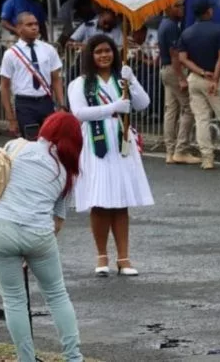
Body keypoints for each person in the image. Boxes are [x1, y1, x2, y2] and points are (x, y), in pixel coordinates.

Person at [0, 111, 83, 362]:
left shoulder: (16, 146)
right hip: (38, 233)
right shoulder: (66, 171)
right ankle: (74, 357)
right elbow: (57, 222)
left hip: (1, 227)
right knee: (57, 295)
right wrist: (35, 250)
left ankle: (26, 358)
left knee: (14, 299)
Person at [68, 34, 153, 276]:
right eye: (98, 52)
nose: (104, 55)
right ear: (90, 56)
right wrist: (112, 108)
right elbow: (79, 113)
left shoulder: (122, 79)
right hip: (96, 144)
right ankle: (102, 255)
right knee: (101, 200)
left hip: (121, 141)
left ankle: (124, 258)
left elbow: (143, 103)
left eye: (108, 51)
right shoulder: (81, 83)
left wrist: (132, 79)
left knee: (120, 201)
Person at [177, 0, 220, 170]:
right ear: (208, 12)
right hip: (216, 79)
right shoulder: (219, 30)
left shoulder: (187, 33)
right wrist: (214, 78)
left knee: (201, 120)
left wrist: (200, 72)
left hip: (195, 80)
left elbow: (182, 58)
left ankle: (207, 159)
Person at [0, 12, 65, 140]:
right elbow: (4, 86)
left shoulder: (48, 49)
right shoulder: (11, 54)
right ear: (19, 28)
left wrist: (62, 105)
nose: (34, 27)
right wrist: (11, 118)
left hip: (46, 101)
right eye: (29, 24)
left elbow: (56, 80)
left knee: (50, 141)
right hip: (25, 104)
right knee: (31, 142)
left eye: (36, 24)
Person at [156, 0, 198, 165]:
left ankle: (170, 151)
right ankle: (181, 150)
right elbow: (174, 54)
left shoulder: (165, 24)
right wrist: (181, 77)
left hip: (167, 69)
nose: (181, 8)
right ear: (168, 7)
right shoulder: (171, 26)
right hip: (174, 70)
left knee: (171, 110)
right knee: (189, 108)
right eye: (178, 6)